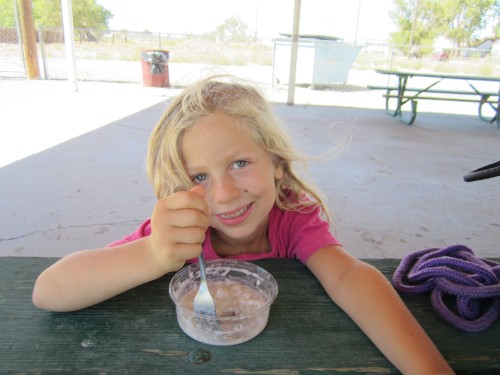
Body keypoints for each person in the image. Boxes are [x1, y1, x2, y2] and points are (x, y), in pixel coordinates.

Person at [32, 75, 454, 374]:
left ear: (275, 164)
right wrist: (151, 254)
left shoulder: (292, 216)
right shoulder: (178, 234)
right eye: (199, 177)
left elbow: (346, 274)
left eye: (239, 163)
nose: (225, 194)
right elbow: (48, 292)